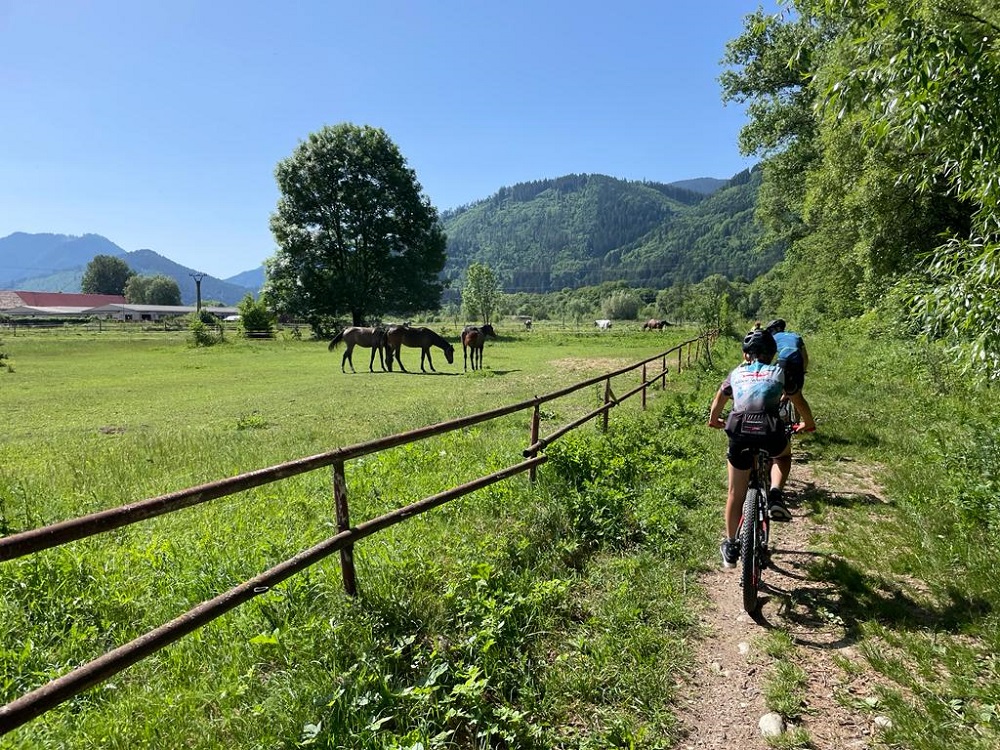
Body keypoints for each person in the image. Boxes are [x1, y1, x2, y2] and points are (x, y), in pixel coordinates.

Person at [707, 329, 816, 568]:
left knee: (736, 493)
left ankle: (732, 543)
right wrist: (808, 423)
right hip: (769, 430)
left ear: (746, 355)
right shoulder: (780, 372)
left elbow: (719, 399)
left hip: (739, 432)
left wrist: (714, 420)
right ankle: (775, 493)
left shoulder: (735, 373)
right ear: (772, 354)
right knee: (783, 456)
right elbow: (799, 402)